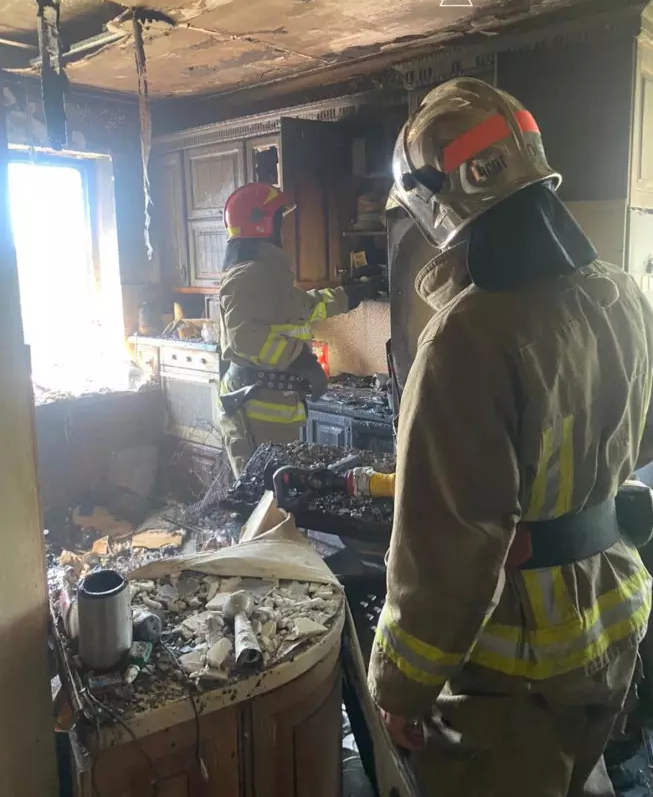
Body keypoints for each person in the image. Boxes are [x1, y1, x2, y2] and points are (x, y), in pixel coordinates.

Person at [367, 77, 653, 797]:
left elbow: (445, 546)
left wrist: (399, 687)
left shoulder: (465, 338)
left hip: (514, 672)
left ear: (436, 200)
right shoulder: (623, 295)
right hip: (614, 622)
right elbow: (640, 442)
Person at [217, 181, 378, 478]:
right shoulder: (248, 275)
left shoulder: (267, 273)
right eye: (281, 221)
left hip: (271, 406)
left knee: (279, 495)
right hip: (254, 411)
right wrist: (301, 360)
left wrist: (350, 295)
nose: (285, 232)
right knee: (260, 497)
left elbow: (302, 308)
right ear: (264, 225)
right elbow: (244, 338)